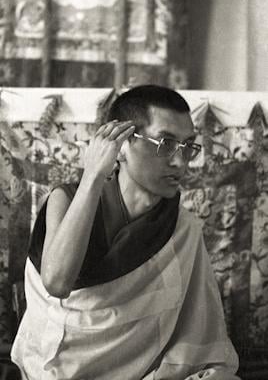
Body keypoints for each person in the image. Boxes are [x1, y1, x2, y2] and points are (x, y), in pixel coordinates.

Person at [11, 85, 241, 380]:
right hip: (56, 369)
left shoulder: (182, 227)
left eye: (188, 146)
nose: (180, 162)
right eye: (165, 144)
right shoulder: (66, 199)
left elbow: (197, 334)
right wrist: (93, 175)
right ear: (121, 143)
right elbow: (57, 283)